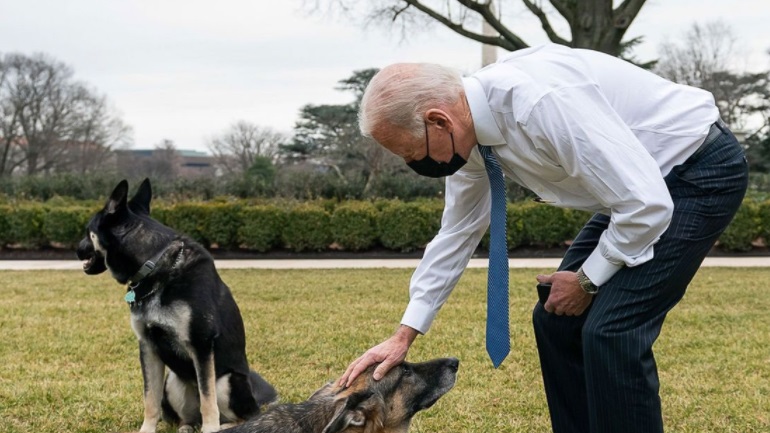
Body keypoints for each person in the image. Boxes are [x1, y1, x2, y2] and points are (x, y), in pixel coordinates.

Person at [338, 43, 748, 433]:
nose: (415, 163)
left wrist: (588, 280)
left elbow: (647, 205)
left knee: (610, 330)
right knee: (556, 320)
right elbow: (458, 231)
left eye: (411, 152)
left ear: (438, 120)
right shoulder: (468, 138)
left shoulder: (540, 104)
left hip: (694, 173)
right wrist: (404, 333)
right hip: (633, 194)